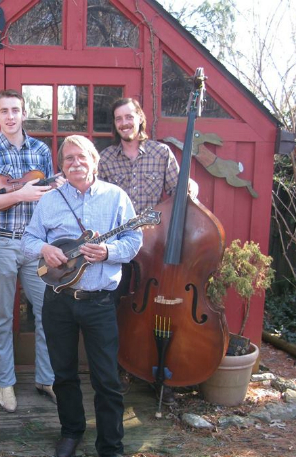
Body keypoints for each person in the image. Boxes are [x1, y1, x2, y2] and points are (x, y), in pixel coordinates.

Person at [22, 135, 142, 457]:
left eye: (81, 157)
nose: (75, 163)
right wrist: (45, 249)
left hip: (99, 302)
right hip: (58, 299)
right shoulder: (51, 200)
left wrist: (107, 253)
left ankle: (112, 450)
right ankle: (71, 432)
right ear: (62, 165)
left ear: (94, 160)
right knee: (63, 374)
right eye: (68, 158)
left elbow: (134, 240)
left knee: (106, 378)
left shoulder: (116, 197)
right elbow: (29, 240)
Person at [0, 89, 60, 412]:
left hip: (34, 243)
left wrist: (54, 190)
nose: (10, 116)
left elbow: (49, 197)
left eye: (15, 110)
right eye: (4, 110)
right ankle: (5, 383)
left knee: (47, 311)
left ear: (23, 113)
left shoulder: (41, 150)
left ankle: (46, 378)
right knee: (3, 315)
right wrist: (19, 196)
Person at [99, 97, 197, 405]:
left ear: (140, 118)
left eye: (129, 117)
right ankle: (118, 369)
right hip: (118, 244)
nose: (125, 123)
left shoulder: (161, 153)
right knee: (114, 306)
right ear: (115, 125)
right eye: (119, 119)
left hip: (154, 248)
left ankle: (159, 371)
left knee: (157, 308)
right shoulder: (105, 158)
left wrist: (189, 186)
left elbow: (178, 190)